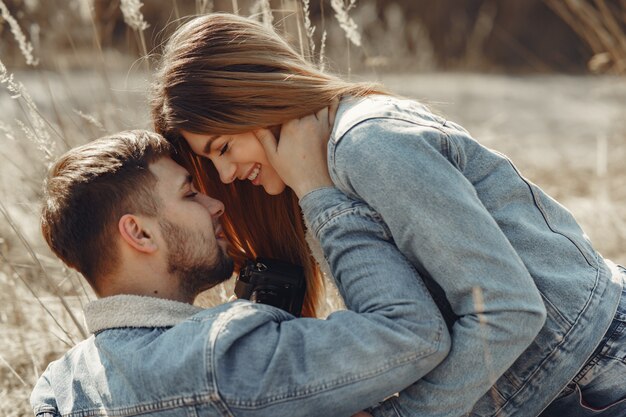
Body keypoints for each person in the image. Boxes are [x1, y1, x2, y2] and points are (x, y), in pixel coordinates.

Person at [151, 13, 626, 417]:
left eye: (223, 148)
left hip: (596, 372)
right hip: (558, 374)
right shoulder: (320, 169)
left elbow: (506, 308)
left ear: (253, 101)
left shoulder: (369, 147)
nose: (226, 174)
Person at [30, 129, 451, 417]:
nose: (216, 206)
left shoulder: (58, 386)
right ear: (139, 232)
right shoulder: (225, 353)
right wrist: (317, 191)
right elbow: (413, 332)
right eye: (190, 193)